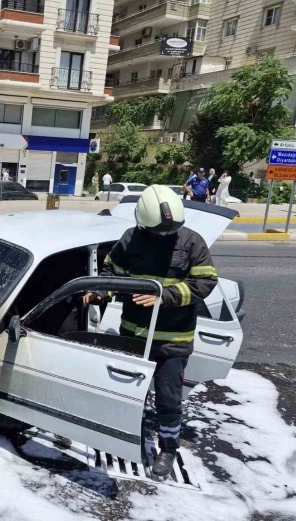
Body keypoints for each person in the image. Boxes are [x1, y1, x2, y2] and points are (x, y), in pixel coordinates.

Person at [83, 185, 217, 479]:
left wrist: (164, 297)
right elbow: (111, 273)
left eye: (169, 233)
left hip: (173, 342)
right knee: (131, 393)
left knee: (168, 399)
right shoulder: (131, 239)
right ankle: (130, 435)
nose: (164, 236)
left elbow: (205, 283)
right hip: (135, 336)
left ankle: (168, 448)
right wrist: (99, 291)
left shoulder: (193, 242)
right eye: (157, 233)